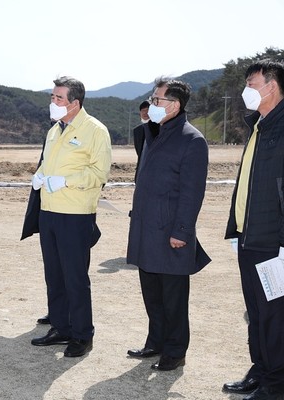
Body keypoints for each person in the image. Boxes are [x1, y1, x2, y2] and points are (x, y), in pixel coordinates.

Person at [126, 77, 211, 371]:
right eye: (152, 97)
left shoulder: (192, 140)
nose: (152, 104)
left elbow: (192, 192)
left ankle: (175, 351)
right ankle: (156, 342)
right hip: (146, 229)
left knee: (173, 298)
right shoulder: (154, 133)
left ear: (175, 105)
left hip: (170, 233)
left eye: (158, 99)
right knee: (152, 292)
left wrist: (182, 232)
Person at [29, 76, 111, 358]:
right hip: (49, 212)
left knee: (75, 277)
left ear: (75, 103)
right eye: (52, 97)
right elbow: (48, 163)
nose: (53, 102)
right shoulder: (55, 130)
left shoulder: (95, 131)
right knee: (54, 274)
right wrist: (41, 175)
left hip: (75, 215)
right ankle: (60, 327)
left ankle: (81, 334)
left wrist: (66, 180)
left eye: (58, 98)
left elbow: (99, 174)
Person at [222, 60, 284, 400]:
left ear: (271, 85)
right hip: (250, 236)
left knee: (275, 317)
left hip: (273, 241)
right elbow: (247, 183)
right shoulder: (259, 124)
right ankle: (260, 371)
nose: (246, 89)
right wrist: (236, 229)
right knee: (257, 313)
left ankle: (275, 384)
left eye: (252, 82)